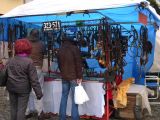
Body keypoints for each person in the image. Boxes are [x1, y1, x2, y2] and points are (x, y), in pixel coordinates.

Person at [5, 39, 43, 120]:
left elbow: (5, 74)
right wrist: (38, 93)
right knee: (21, 110)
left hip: (11, 88)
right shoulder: (29, 62)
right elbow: (34, 80)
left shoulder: (10, 60)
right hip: (23, 90)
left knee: (13, 109)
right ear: (28, 48)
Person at [57, 36, 83, 120]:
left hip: (64, 77)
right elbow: (78, 64)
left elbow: (59, 65)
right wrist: (79, 76)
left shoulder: (60, 49)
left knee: (64, 97)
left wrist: (63, 73)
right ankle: (75, 118)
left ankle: (62, 117)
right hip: (73, 77)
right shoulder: (75, 49)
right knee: (75, 98)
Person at [26, 29, 45, 118]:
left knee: (27, 90)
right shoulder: (41, 44)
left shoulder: (26, 43)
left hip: (26, 68)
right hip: (37, 68)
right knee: (38, 90)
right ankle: (39, 112)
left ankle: (27, 111)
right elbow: (44, 54)